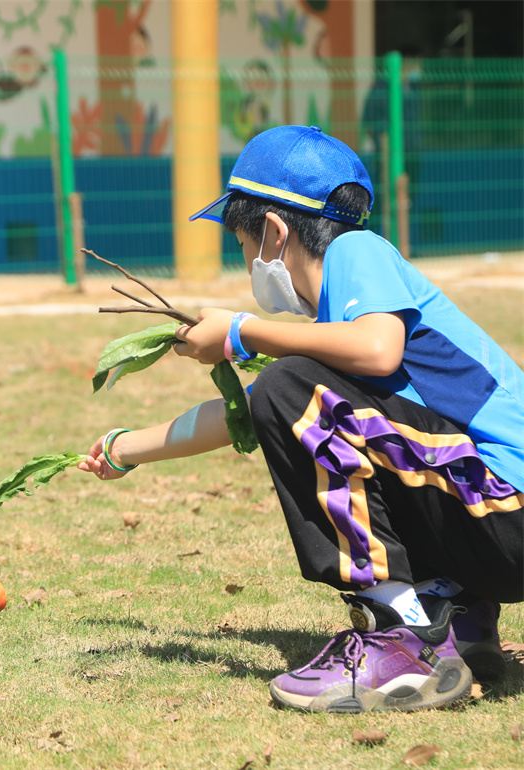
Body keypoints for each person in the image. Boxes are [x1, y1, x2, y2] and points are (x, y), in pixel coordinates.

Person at [78, 125, 523, 714]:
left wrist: (239, 331)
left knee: (291, 390)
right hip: (489, 524)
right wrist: (123, 448)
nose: (244, 262)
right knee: (293, 396)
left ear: (274, 231)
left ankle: (402, 635)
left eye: (240, 243)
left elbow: (377, 350)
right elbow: (247, 416)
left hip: (505, 507)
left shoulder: (356, 253)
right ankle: (456, 619)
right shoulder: (325, 344)